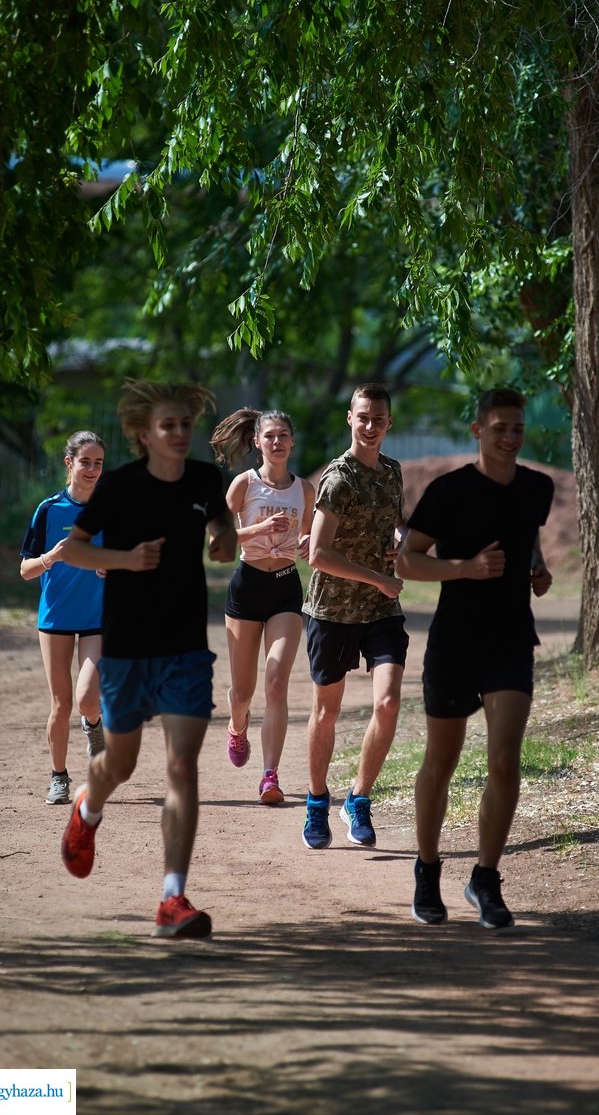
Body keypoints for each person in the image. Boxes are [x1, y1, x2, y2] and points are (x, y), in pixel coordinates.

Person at [59, 380, 237, 940]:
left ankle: (171, 898)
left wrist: (223, 539)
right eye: (169, 425)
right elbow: (73, 549)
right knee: (120, 765)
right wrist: (127, 559)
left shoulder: (208, 479)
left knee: (182, 767)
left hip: (185, 647)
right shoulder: (118, 486)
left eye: (186, 424)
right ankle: (87, 810)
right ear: (143, 434)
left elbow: (221, 528)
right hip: (128, 647)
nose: (180, 434)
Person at [396, 386, 554, 929]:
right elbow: (406, 562)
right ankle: (428, 868)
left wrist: (537, 568)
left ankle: (485, 880)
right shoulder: (449, 491)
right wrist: (463, 568)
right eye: (500, 428)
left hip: (511, 640)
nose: (510, 438)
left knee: (505, 760)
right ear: (478, 431)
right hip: (455, 642)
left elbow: (528, 537)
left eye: (517, 429)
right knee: (441, 762)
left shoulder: (538, 487)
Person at [301, 382, 408, 851]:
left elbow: (393, 523)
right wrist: (377, 577)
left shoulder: (392, 471)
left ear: (389, 423)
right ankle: (317, 802)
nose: (370, 426)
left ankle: (359, 800)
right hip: (333, 611)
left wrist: (401, 541)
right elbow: (319, 555)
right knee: (328, 711)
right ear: (350, 418)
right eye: (362, 417)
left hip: (381, 610)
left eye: (378, 419)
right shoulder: (337, 478)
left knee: (387, 703)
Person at [210, 408, 315, 805]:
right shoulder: (243, 484)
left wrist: (307, 545)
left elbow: (311, 539)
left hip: (286, 589)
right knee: (243, 691)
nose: (277, 442)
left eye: (283, 435)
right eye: (269, 436)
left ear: (292, 441)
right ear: (257, 442)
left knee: (276, 681)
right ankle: (238, 727)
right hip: (246, 588)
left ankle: (269, 776)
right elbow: (217, 542)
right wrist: (257, 529)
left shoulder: (304, 490)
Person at [20, 430, 107, 806]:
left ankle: (95, 726)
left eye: (98, 463)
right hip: (55, 617)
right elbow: (25, 570)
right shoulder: (48, 510)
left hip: (97, 617)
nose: (92, 469)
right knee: (61, 703)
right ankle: (59, 777)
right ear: (69, 463)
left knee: (88, 698)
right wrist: (50, 557)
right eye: (85, 461)